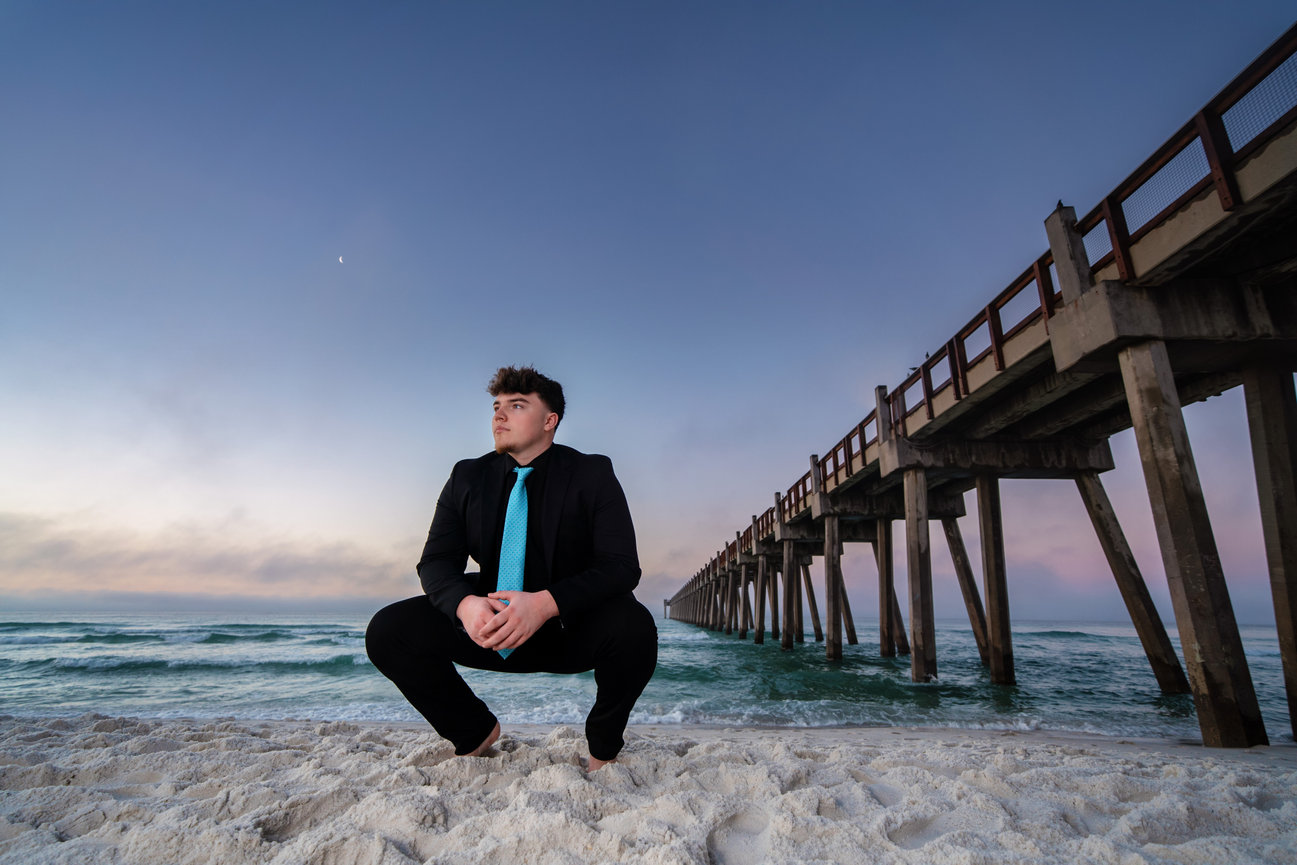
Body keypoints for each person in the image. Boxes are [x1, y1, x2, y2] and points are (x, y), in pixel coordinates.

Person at [366, 365, 658, 770]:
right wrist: (466, 606)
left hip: (566, 626)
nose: (499, 415)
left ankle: (602, 750)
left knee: (636, 628)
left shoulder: (592, 473)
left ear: (550, 421)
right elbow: (436, 562)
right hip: (491, 622)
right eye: (496, 406)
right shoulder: (467, 476)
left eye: (517, 405)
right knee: (388, 630)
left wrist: (544, 604)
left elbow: (621, 567)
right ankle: (473, 730)